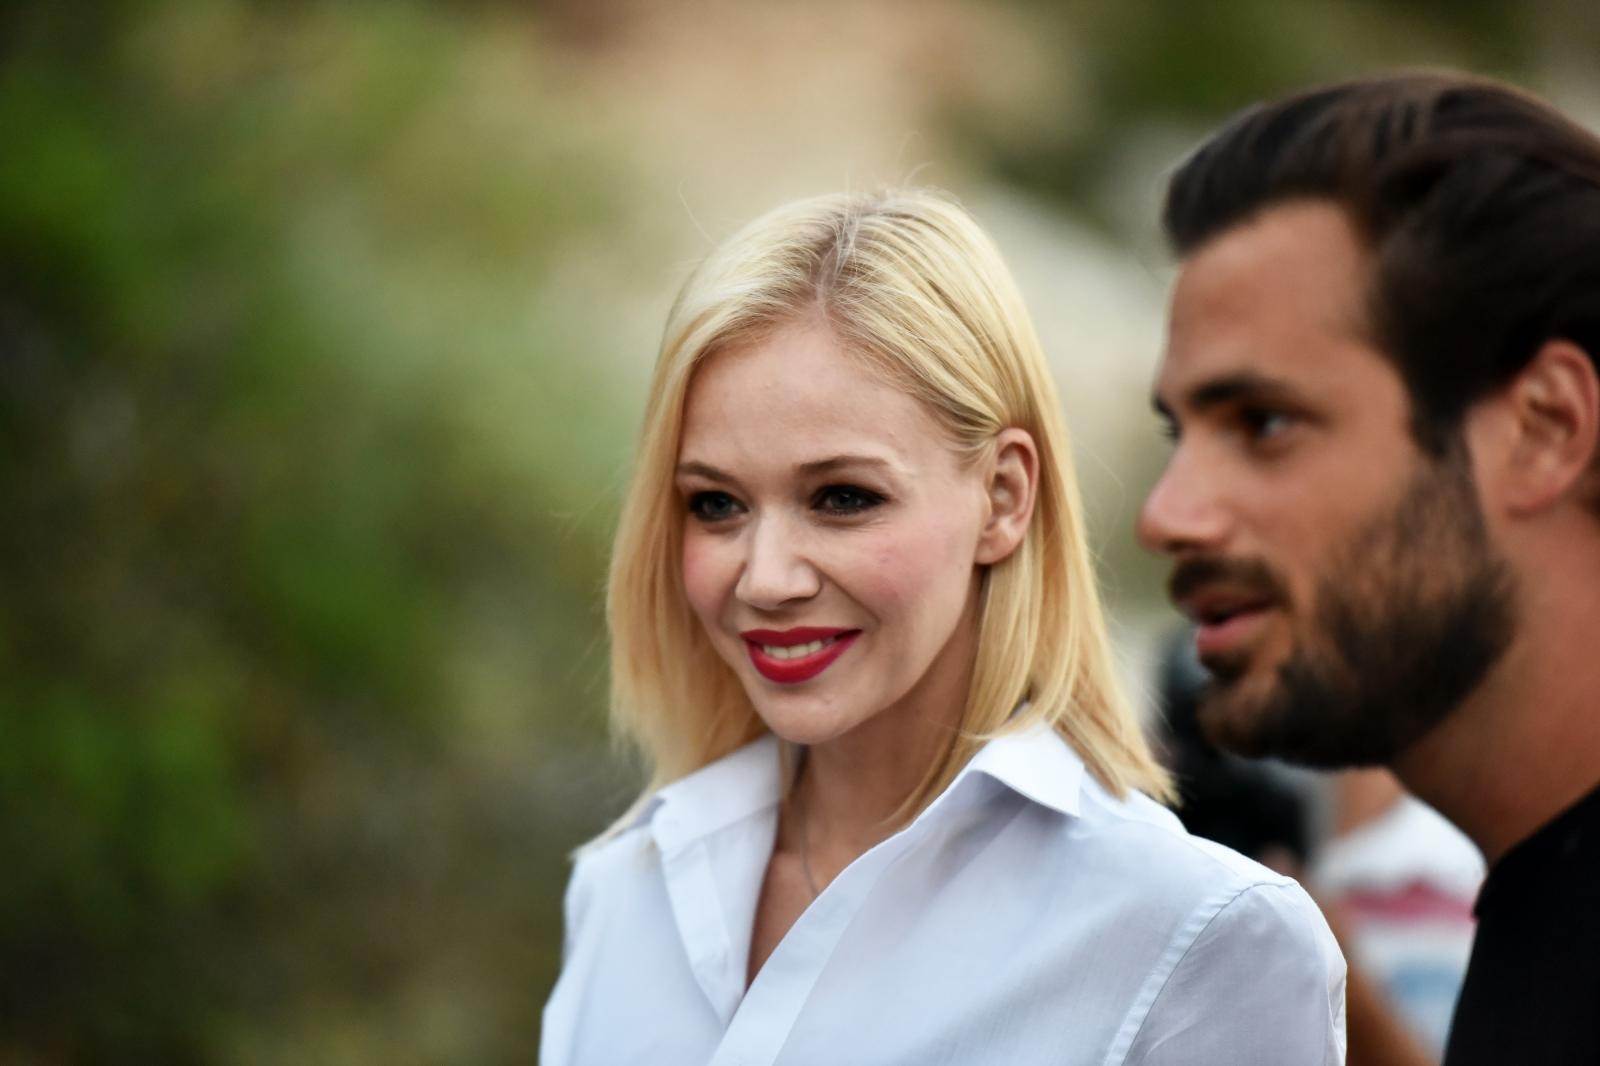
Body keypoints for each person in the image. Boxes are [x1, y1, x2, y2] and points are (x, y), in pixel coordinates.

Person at [542, 189, 1346, 1065]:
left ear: (1003, 497)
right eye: (716, 504)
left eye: (842, 498)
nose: (766, 579)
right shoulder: (625, 894)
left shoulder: (1205, 941)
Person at [1138, 71, 1600, 1065]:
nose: (1165, 516)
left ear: (1545, 427)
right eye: (1180, 434)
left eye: (1264, 423)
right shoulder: (1539, 923)